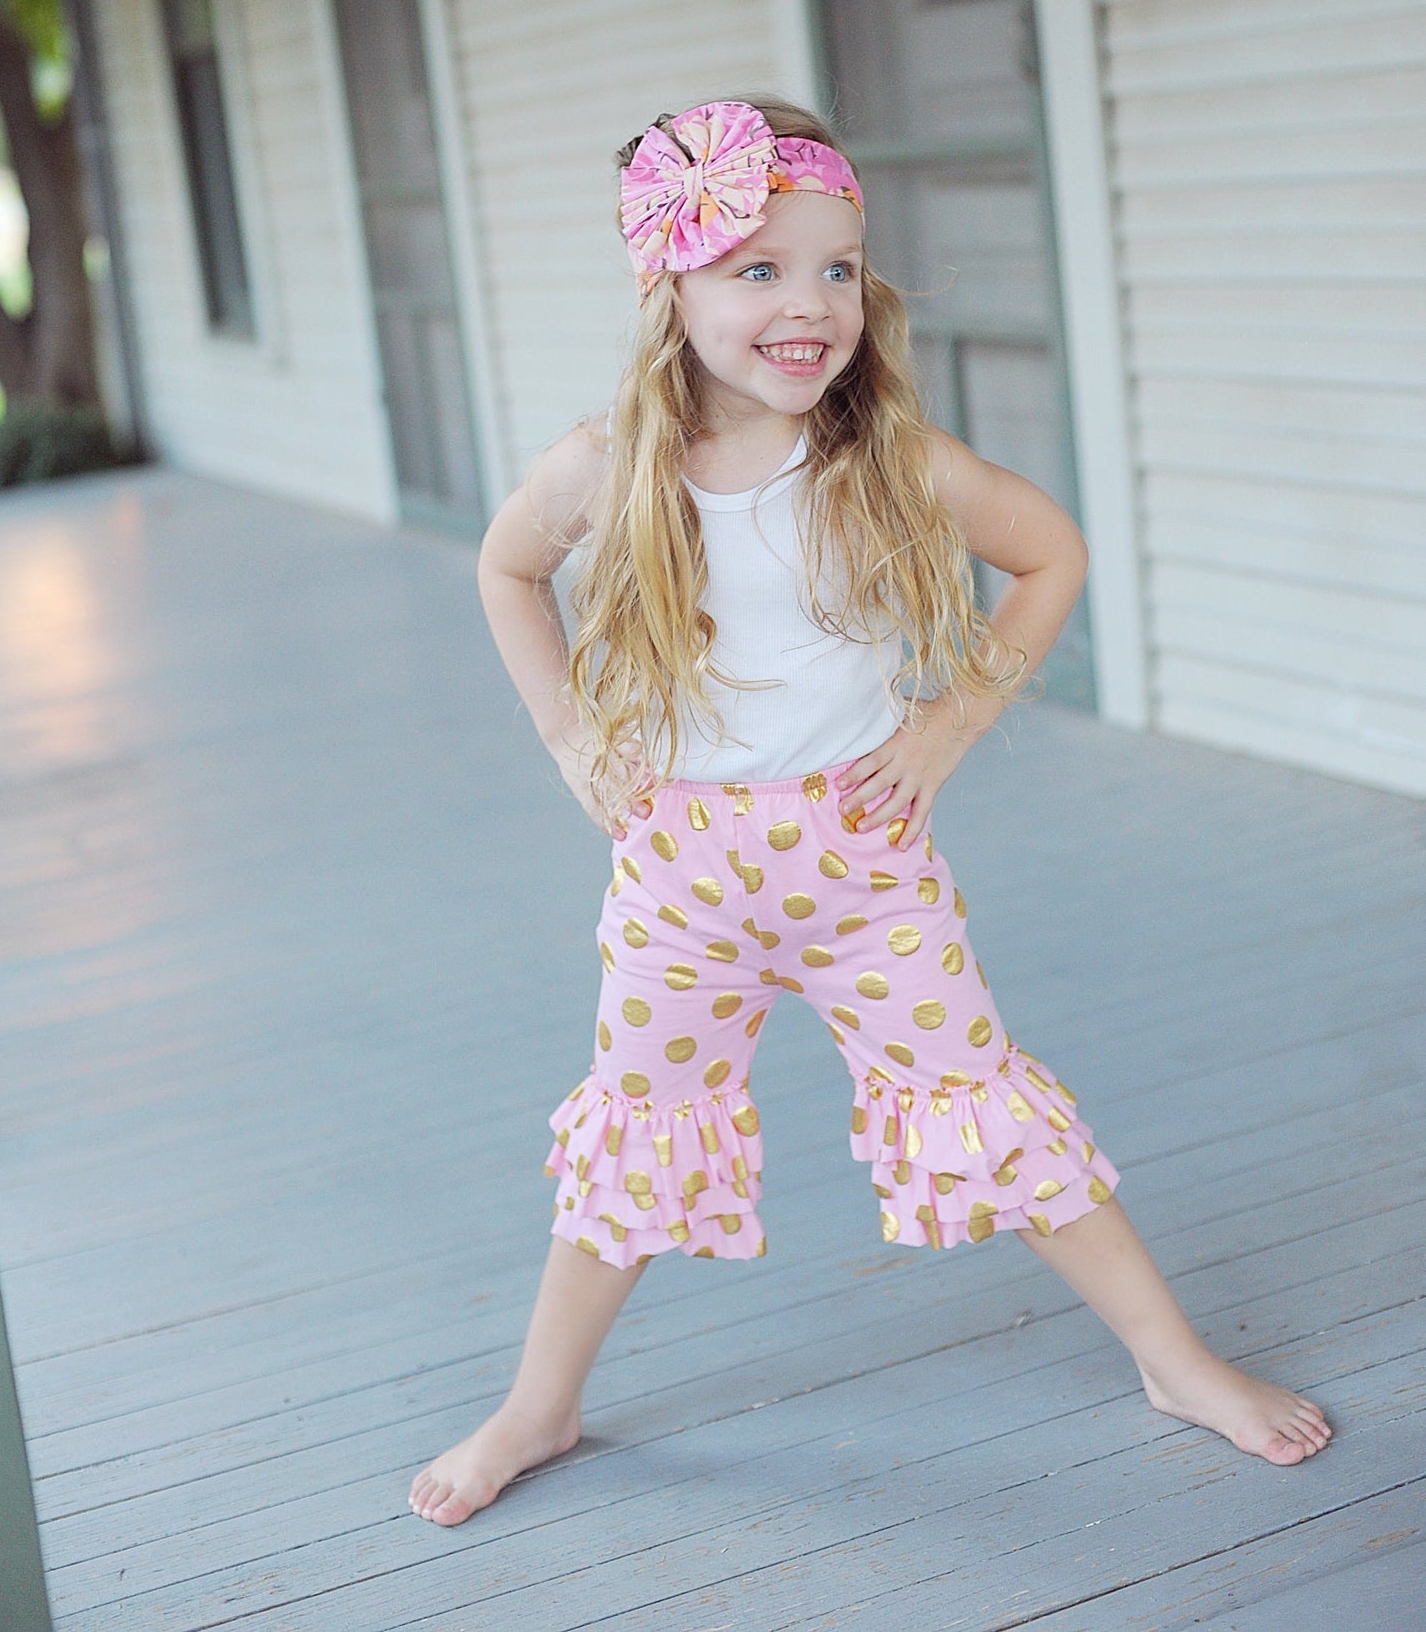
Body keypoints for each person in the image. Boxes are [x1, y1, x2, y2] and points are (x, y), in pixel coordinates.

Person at [409, 99, 1330, 1525]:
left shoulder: (882, 458)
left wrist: (948, 721)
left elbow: (1049, 554)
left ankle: (1172, 1358)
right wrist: (568, 737)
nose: (808, 305)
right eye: (758, 270)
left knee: (982, 1100)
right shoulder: (609, 466)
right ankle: (540, 1406)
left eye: (836, 268)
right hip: (677, 875)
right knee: (636, 1130)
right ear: (671, 285)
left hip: (860, 862)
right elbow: (502, 570)